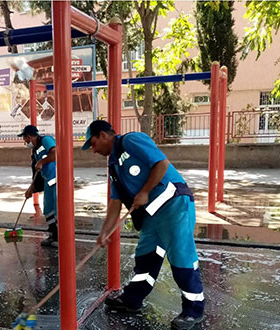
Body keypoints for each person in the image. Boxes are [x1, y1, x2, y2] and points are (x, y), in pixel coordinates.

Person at [81, 120, 205, 330]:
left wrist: (145, 190)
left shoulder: (131, 140)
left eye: (92, 144)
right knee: (146, 258)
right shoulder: (113, 166)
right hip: (151, 216)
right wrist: (105, 231)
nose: (93, 150)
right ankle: (132, 299)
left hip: (173, 205)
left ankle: (194, 310)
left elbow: (161, 163)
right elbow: (115, 202)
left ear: (103, 135)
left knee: (181, 259)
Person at [17, 125, 58, 247]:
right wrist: (31, 189)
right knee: (48, 210)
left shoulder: (46, 140)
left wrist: (42, 162)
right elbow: (36, 172)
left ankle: (61, 237)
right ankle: (53, 235)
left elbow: (55, 153)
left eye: (25, 138)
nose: (25, 141)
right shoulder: (35, 150)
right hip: (48, 181)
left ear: (29, 137)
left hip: (57, 180)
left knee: (57, 210)